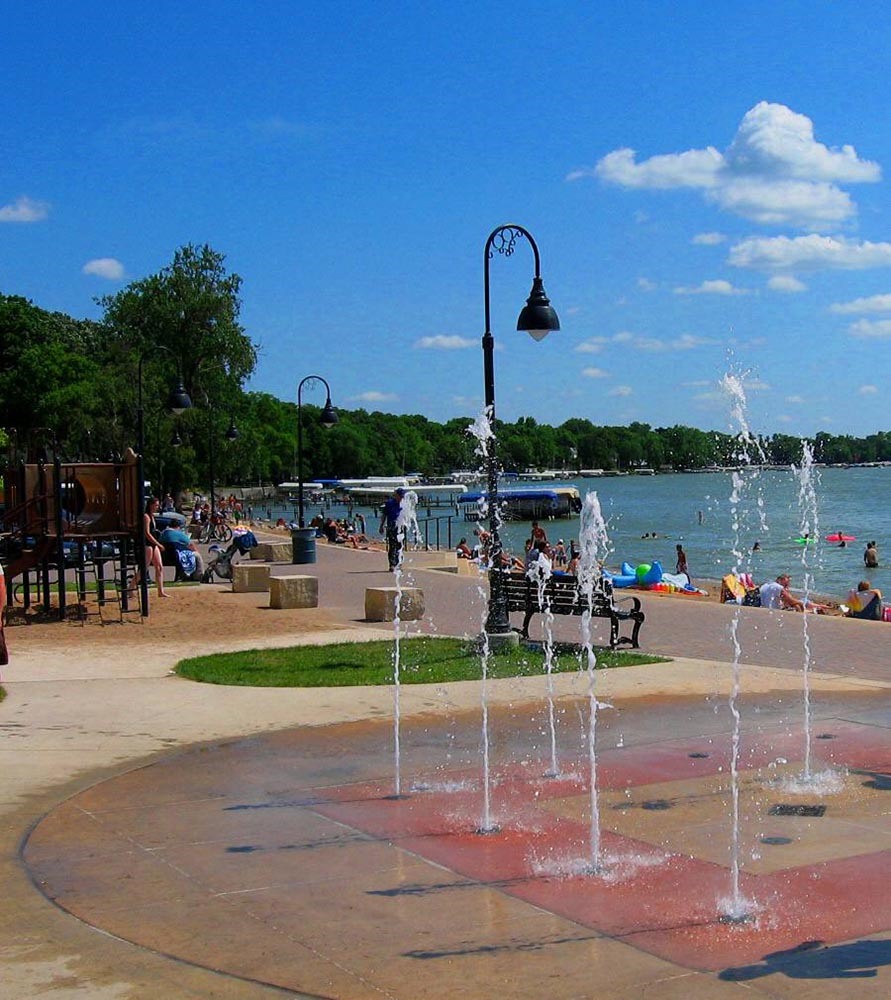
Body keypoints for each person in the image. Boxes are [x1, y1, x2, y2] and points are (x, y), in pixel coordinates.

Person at [759, 573, 827, 613]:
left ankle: (821, 607)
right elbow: (791, 601)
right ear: (779, 580)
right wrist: (801, 604)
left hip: (765, 609)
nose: (787, 586)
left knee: (802, 601)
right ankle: (822, 608)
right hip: (775, 612)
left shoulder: (765, 585)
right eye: (786, 584)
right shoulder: (778, 587)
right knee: (800, 603)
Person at [142, 498, 169, 597]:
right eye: (156, 505)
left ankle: (160, 591)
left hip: (154, 544)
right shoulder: (146, 516)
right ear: (150, 505)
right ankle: (131, 586)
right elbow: (147, 533)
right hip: (148, 544)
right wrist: (158, 544)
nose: (157, 507)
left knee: (159, 566)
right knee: (144, 568)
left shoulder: (153, 516)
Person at [379, 487, 406, 570]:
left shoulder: (404, 504)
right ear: (396, 495)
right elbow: (384, 515)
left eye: (402, 496)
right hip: (391, 526)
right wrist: (381, 526)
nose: (401, 498)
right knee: (392, 545)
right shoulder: (389, 503)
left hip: (401, 526)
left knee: (399, 545)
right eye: (400, 496)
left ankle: (399, 563)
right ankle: (392, 564)